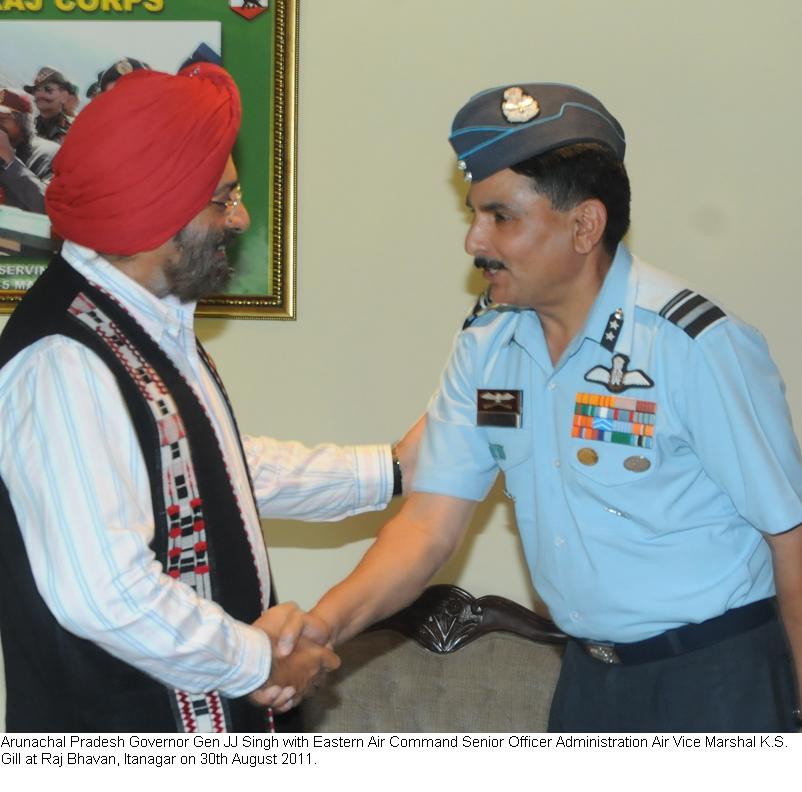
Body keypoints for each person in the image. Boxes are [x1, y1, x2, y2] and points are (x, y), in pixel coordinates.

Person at [308, 83, 802, 732]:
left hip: (715, 679)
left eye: (501, 217)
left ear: (584, 225)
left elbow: (790, 537)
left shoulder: (689, 343)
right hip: (589, 682)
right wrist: (323, 625)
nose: (474, 241)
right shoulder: (488, 344)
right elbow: (429, 525)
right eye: (473, 214)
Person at [0, 63, 419, 733]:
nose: (241, 217)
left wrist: (393, 469)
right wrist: (258, 662)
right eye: (223, 199)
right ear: (153, 210)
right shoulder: (63, 361)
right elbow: (102, 592)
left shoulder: (146, 320)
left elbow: (204, 473)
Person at [0, 88, 59, 213]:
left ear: (22, 122)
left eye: (2, 120)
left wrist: (11, 160)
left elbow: (48, 208)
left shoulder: (50, 154)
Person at [23, 66, 73, 144]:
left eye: (48, 89)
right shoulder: (29, 124)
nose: (41, 94)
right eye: (37, 90)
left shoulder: (72, 132)